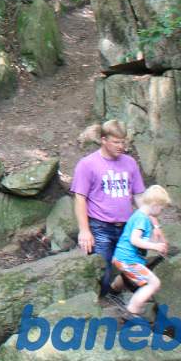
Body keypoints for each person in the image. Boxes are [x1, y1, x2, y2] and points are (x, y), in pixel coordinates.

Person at [70, 119, 145, 297]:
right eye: (116, 142)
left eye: (123, 142)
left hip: (127, 226)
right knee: (102, 273)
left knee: (133, 267)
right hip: (100, 227)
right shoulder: (87, 164)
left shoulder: (130, 163)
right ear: (103, 140)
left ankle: (118, 291)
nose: (122, 146)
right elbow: (79, 198)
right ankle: (100, 308)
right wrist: (84, 231)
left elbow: (139, 196)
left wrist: (153, 224)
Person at [110, 185, 171, 319]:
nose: (161, 211)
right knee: (154, 283)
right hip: (129, 260)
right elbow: (135, 240)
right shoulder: (142, 219)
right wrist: (155, 247)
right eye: (162, 208)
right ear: (155, 205)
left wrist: (155, 242)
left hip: (121, 258)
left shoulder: (139, 215)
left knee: (127, 277)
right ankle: (132, 311)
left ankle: (113, 290)